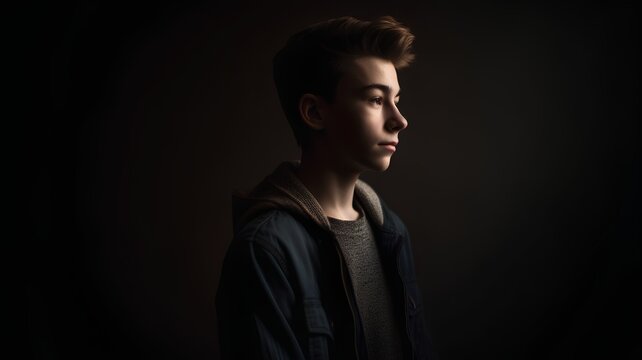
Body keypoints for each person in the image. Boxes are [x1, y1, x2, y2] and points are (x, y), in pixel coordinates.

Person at [216, 16, 438, 360]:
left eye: (396, 99)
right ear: (314, 112)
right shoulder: (265, 252)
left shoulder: (391, 231)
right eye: (376, 100)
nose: (399, 119)